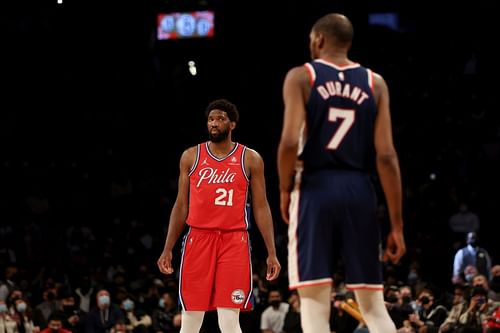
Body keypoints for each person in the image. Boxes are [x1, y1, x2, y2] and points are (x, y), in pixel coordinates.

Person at [277, 13, 406, 333]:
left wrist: (283, 188)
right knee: (373, 306)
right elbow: (387, 156)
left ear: (319, 40)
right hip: (359, 187)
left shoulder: (301, 76)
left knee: (314, 300)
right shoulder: (375, 83)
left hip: (314, 186)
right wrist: (397, 224)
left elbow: (290, 142)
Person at [157, 99, 281, 333]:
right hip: (198, 238)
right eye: (211, 119)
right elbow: (181, 205)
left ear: (232, 124)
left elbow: (262, 207)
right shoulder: (190, 156)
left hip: (234, 241)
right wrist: (168, 247)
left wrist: (271, 252)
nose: (214, 123)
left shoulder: (250, 158)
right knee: (191, 318)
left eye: (220, 119)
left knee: (229, 320)